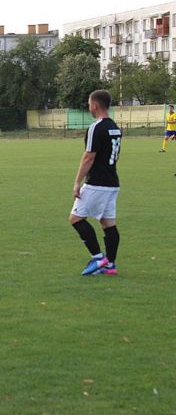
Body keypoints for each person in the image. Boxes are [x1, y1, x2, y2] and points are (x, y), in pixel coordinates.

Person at [69, 89, 122, 276]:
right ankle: (111, 265)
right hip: (112, 182)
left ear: (95, 105)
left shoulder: (96, 127)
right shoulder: (115, 127)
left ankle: (99, 258)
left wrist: (77, 182)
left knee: (75, 218)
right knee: (108, 223)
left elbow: (89, 156)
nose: (88, 107)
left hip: (97, 182)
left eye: (89, 104)